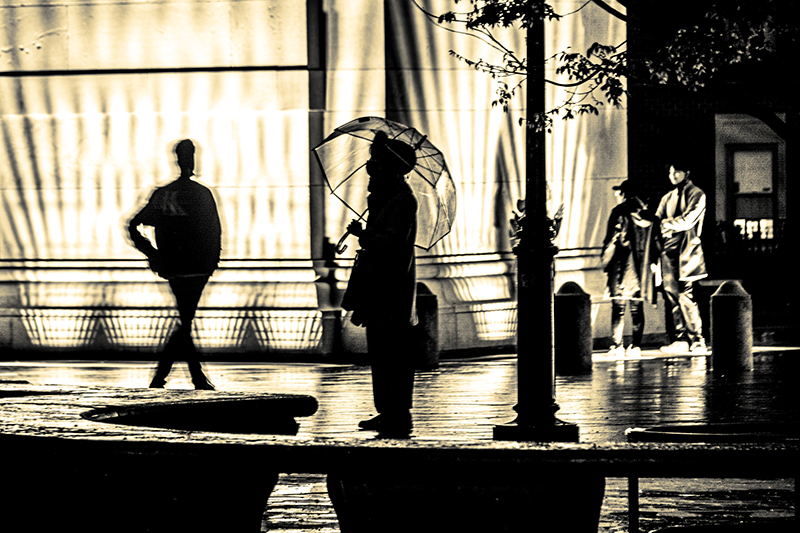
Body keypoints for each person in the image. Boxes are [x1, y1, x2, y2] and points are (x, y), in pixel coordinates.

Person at [341, 131, 418, 437]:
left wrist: (365, 235)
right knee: (381, 351)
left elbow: (392, 244)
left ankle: (398, 413)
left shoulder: (401, 200)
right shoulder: (386, 197)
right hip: (379, 286)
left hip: (391, 288)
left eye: (377, 160)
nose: (370, 166)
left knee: (392, 352)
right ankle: (387, 410)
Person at [127, 139, 221, 389]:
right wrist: (212, 260)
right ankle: (188, 376)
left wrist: (153, 254)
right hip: (197, 266)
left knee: (185, 320)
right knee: (185, 320)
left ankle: (168, 376)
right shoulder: (201, 193)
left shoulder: (164, 194)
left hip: (176, 266)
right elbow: (213, 230)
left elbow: (133, 225)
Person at [601, 180, 660, 358]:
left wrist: (605, 261)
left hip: (621, 268)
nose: (617, 195)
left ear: (625, 194)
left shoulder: (619, 213)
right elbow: (657, 243)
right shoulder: (650, 216)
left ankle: (617, 345)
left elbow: (612, 239)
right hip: (641, 270)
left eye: (619, 192)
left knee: (618, 309)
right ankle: (635, 346)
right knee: (637, 309)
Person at [655, 159, 708, 354]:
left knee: (685, 296)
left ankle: (697, 339)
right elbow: (657, 222)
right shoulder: (667, 197)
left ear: (687, 172)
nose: (673, 176)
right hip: (668, 252)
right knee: (672, 297)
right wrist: (667, 225)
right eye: (670, 173)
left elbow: (687, 221)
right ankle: (681, 339)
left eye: (676, 172)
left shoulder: (697, 194)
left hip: (686, 251)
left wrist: (667, 224)